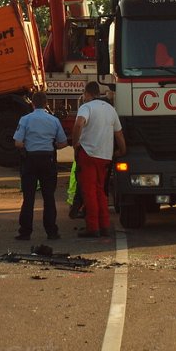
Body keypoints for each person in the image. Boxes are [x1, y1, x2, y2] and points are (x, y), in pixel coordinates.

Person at [72, 81, 126, 238]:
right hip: (105, 156)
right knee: (101, 192)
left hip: (88, 154)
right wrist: (122, 150)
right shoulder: (110, 109)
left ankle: (93, 227)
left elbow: (78, 124)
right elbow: (119, 133)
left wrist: (75, 143)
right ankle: (105, 226)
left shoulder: (86, 107)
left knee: (89, 192)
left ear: (87, 93)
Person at [13, 91, 68, 240]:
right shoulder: (54, 120)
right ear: (46, 104)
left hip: (30, 160)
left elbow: (18, 142)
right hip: (48, 161)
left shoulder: (25, 119)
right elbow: (63, 142)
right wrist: (52, 145)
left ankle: (25, 232)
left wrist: (28, 144)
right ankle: (51, 231)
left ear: (32, 103)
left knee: (28, 197)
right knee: (49, 197)